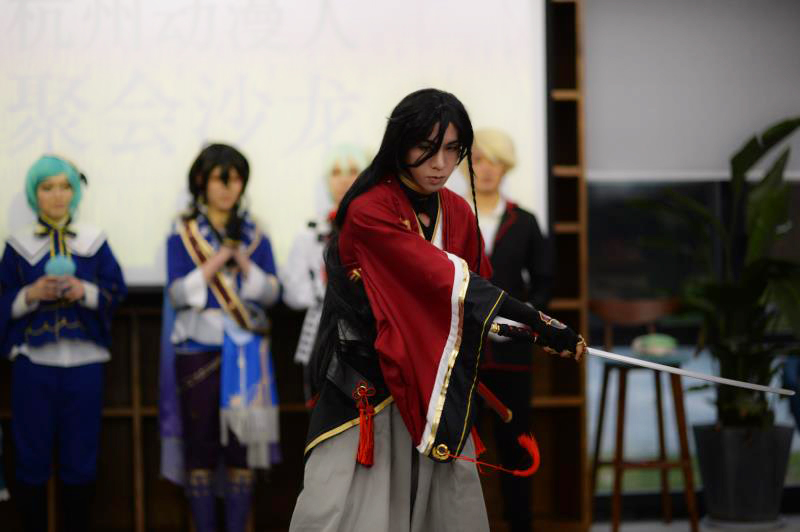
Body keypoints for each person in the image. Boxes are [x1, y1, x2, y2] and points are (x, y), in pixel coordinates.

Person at [289, 88, 584, 532]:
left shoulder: (458, 212)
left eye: (452, 149)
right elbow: (450, 281)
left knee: (447, 514)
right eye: (427, 149)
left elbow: (476, 298)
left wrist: (533, 333)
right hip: (368, 388)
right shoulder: (369, 209)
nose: (441, 164)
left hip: (436, 385)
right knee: (345, 514)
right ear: (399, 143)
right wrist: (538, 322)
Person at [0, 155, 127, 532]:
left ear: (75, 192)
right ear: (34, 194)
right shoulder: (17, 245)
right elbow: (3, 299)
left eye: (65, 187)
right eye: (47, 187)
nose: (57, 195)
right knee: (30, 455)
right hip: (33, 364)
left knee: (82, 456)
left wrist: (84, 291)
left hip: (86, 363)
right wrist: (30, 294)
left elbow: (115, 290)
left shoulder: (94, 239)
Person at [159, 143, 281, 532]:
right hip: (198, 349)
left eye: (236, 178)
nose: (228, 187)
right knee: (201, 446)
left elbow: (272, 293)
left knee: (241, 451)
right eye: (219, 178)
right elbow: (178, 294)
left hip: (245, 354)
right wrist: (218, 259)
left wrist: (240, 257)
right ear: (201, 181)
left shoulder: (255, 234)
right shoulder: (182, 234)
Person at [464, 128, 552, 532]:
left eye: (495, 161)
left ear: (506, 168)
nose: (486, 169)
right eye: (479, 160)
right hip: (461, 355)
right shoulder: (452, 215)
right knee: (461, 453)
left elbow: (544, 281)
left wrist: (521, 321)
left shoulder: (524, 221)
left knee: (516, 449)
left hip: (511, 357)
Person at [281, 144, 368, 399]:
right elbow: (293, 290)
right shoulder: (309, 231)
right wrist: (325, 296)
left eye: (353, 171)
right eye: (336, 172)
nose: (344, 180)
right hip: (322, 331)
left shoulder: (375, 228)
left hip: (367, 333)